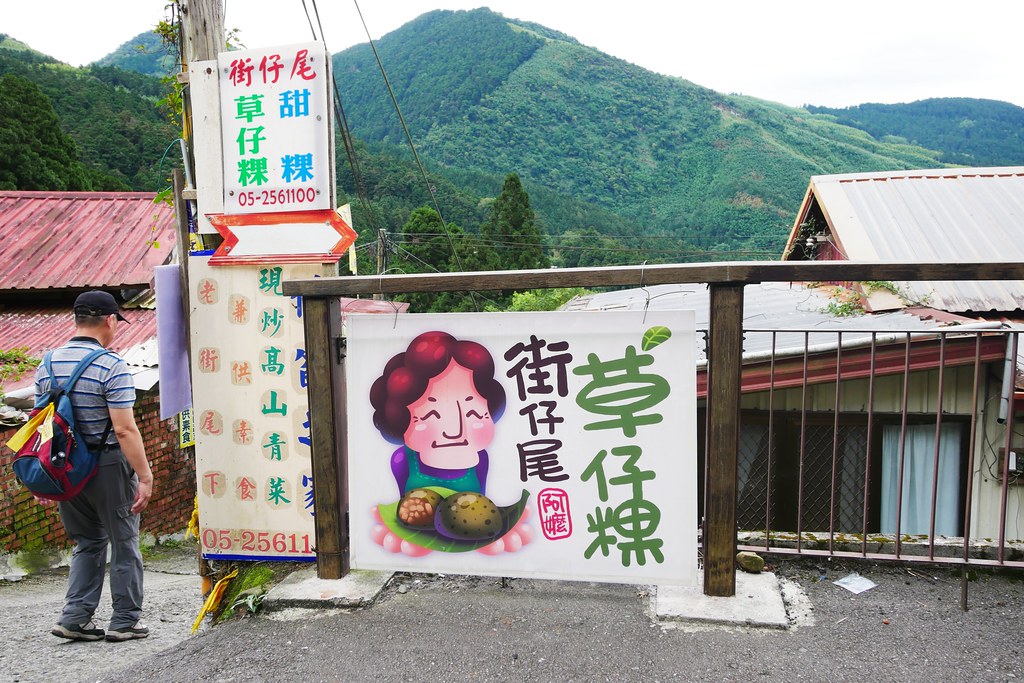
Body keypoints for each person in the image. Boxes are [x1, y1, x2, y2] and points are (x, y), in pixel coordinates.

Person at [37, 290, 153, 642]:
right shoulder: (111, 365)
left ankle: (74, 618)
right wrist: (145, 476)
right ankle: (125, 620)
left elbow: (41, 423)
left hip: (65, 467)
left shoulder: (48, 363)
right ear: (109, 321)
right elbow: (124, 429)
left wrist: (45, 475)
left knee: (87, 541)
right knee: (124, 541)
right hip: (107, 465)